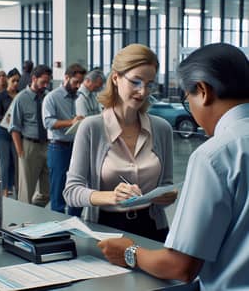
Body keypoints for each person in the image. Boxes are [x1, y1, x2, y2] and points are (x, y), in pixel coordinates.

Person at [98, 43, 249, 290]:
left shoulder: (215, 155)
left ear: (203, 91)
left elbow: (181, 266)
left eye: (187, 100)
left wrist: (130, 251)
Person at [63, 44, 176, 242]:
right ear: (115, 78)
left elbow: (166, 184)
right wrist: (111, 196)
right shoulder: (91, 128)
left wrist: (166, 196)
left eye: (149, 84)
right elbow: (72, 192)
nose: (143, 92)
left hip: (153, 228)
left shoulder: (162, 128)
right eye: (136, 82)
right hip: (106, 229)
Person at [42, 63, 86, 216]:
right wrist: (71, 122)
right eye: (75, 82)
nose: (78, 86)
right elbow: (48, 123)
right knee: (58, 188)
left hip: (77, 146)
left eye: (81, 82)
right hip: (58, 148)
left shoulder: (79, 97)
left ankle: (76, 219)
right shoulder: (52, 98)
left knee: (78, 184)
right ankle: (58, 221)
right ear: (66, 78)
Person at [9, 64, 52, 207]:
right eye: (43, 82)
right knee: (26, 189)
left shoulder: (47, 98)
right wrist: (20, 152)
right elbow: (14, 127)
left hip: (47, 144)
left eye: (48, 82)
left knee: (47, 190)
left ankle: (35, 211)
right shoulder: (21, 98)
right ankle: (23, 221)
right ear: (34, 78)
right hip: (29, 145)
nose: (45, 85)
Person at [0, 68, 20, 197]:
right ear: (8, 80)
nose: (15, 83)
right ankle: (4, 190)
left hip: (16, 134)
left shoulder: (21, 95)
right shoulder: (1, 95)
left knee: (14, 163)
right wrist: (7, 120)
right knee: (4, 163)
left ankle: (14, 188)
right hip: (3, 133)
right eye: (13, 80)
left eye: (17, 81)